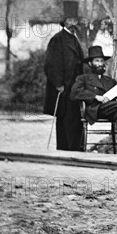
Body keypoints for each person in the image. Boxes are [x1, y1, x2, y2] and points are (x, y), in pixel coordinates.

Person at [43, 11, 84, 151]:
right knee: (66, 119)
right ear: (66, 21)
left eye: (76, 19)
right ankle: (66, 150)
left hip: (75, 86)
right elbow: (51, 63)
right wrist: (58, 83)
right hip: (65, 87)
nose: (76, 22)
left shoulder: (74, 38)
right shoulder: (58, 39)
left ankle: (74, 150)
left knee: (74, 119)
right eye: (73, 19)